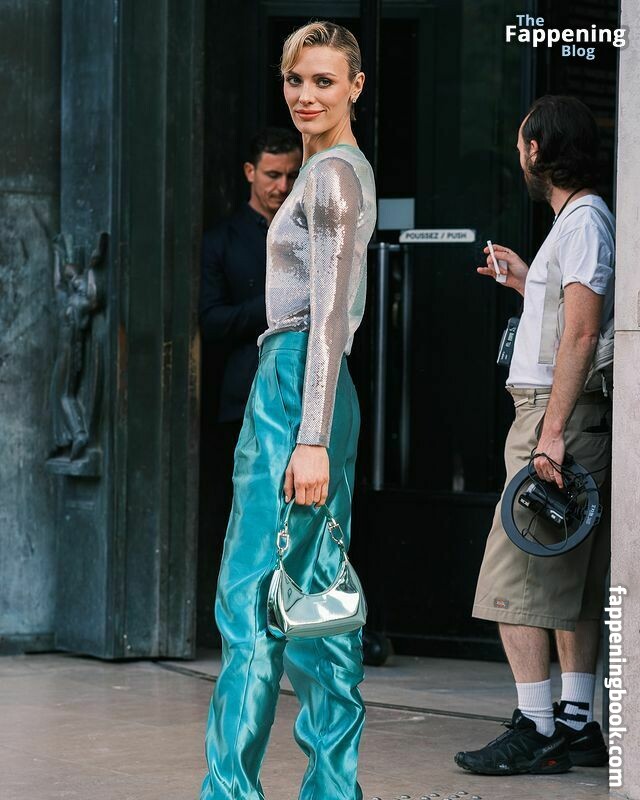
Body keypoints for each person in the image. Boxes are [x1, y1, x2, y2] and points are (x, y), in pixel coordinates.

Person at [200, 20, 376, 800]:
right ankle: (331, 788)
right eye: (295, 79)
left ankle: (230, 790)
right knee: (314, 602)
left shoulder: (332, 176)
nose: (306, 95)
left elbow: (329, 316)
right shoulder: (335, 170)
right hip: (314, 389)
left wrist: (309, 438)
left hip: (298, 387)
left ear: (355, 87)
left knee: (250, 601)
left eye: (324, 81)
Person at [455, 95, 614, 776]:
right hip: (568, 413)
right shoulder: (583, 221)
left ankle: (536, 727)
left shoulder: (583, 222)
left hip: (555, 416)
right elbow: (570, 322)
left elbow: (581, 334)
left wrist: (549, 434)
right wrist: (528, 284)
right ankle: (575, 723)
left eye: (523, 143)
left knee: (513, 577)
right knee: (570, 581)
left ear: (541, 150)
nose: (518, 154)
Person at [200, 128, 302, 502]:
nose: (282, 186)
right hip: (241, 397)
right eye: (273, 175)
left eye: (291, 175)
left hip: (300, 393)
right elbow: (211, 321)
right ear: (249, 172)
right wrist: (274, 305)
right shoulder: (220, 241)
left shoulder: (308, 235)